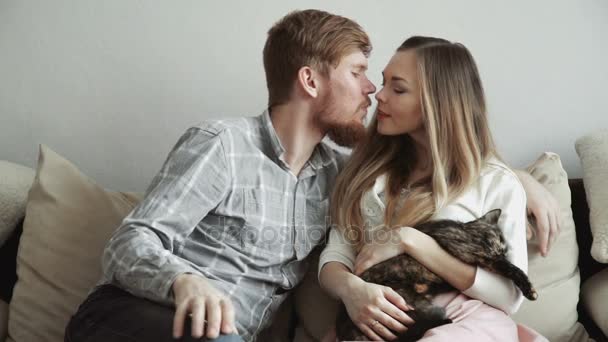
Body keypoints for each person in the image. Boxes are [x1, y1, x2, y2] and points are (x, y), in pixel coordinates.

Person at [64, 10, 558, 342]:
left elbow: (445, 160)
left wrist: (520, 178)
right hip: (145, 316)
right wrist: (183, 281)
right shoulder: (223, 145)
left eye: (385, 82)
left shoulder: (338, 174)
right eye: (360, 73)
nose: (371, 91)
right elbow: (129, 242)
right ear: (310, 80)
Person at [319, 36, 549, 341]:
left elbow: (509, 297)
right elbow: (337, 253)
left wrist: (411, 241)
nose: (380, 96)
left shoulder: (495, 183)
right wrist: (352, 290)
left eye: (398, 89)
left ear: (438, 101)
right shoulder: (367, 175)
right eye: (385, 83)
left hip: (465, 326)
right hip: (388, 320)